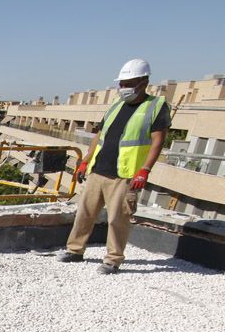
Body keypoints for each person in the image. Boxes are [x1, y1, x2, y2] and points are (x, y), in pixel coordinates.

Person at [57, 58, 170, 274]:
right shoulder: (116, 105)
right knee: (84, 213)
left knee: (118, 218)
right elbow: (99, 135)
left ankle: (112, 259)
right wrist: (85, 161)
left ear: (143, 82)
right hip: (99, 169)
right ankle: (75, 250)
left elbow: (157, 141)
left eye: (129, 83)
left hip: (125, 174)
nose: (124, 88)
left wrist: (144, 170)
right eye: (122, 83)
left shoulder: (155, 107)